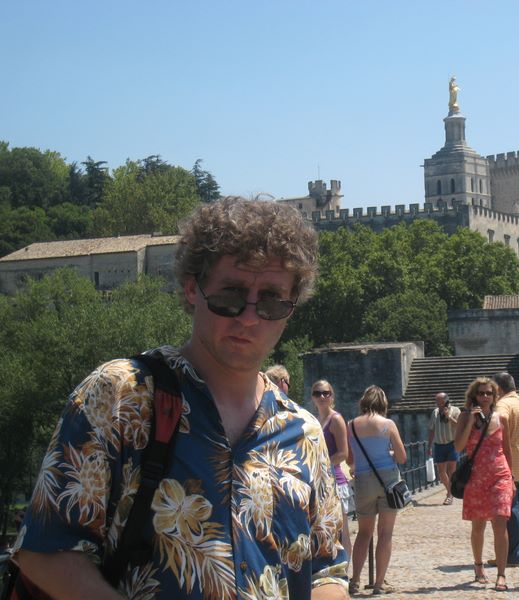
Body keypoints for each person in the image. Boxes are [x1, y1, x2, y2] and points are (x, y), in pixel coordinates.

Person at [12, 197, 348, 599]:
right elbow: (46, 549)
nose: (249, 317)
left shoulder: (304, 432)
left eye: (272, 300)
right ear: (192, 289)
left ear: (290, 308)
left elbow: (328, 570)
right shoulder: (122, 396)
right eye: (231, 295)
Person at [453, 377, 513, 592]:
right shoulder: (464, 417)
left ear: (495, 396)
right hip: (476, 477)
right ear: (474, 396)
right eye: (481, 393)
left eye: (489, 393)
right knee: (478, 526)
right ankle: (478, 565)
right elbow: (458, 447)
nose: (485, 397)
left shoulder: (502, 418)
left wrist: (512, 478)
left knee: (500, 522)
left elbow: (507, 450)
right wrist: (471, 421)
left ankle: (501, 574)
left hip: (500, 475)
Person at [347, 386, 407, 596]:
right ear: (383, 403)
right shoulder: (388, 425)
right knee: (385, 533)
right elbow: (402, 457)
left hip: (363, 481)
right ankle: (379, 584)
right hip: (388, 480)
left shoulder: (351, 425)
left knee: (364, 533)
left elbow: (350, 459)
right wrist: (388, 453)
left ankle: (355, 580)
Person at [491, 372, 519, 567]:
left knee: (510, 508)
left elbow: (501, 417)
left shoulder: (503, 404)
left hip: (509, 461)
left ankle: (511, 555)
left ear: (499, 389)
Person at [311, 380, 353, 563]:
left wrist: (322, 464)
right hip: (320, 482)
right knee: (325, 528)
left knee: (342, 529)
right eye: (317, 393)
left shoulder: (336, 419)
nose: (322, 396)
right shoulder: (315, 420)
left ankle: (346, 569)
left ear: (331, 396)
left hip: (335, 481)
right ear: (312, 397)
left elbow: (343, 453)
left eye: (325, 393)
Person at [426, 392, 461, 505]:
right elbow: (432, 429)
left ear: (445, 400)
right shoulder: (435, 412)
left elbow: (459, 426)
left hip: (452, 444)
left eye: (439, 401)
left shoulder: (455, 410)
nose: (437, 403)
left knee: (451, 471)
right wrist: (429, 446)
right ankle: (450, 491)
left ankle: (450, 495)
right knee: (441, 473)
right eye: (436, 401)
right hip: (439, 445)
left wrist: (449, 417)